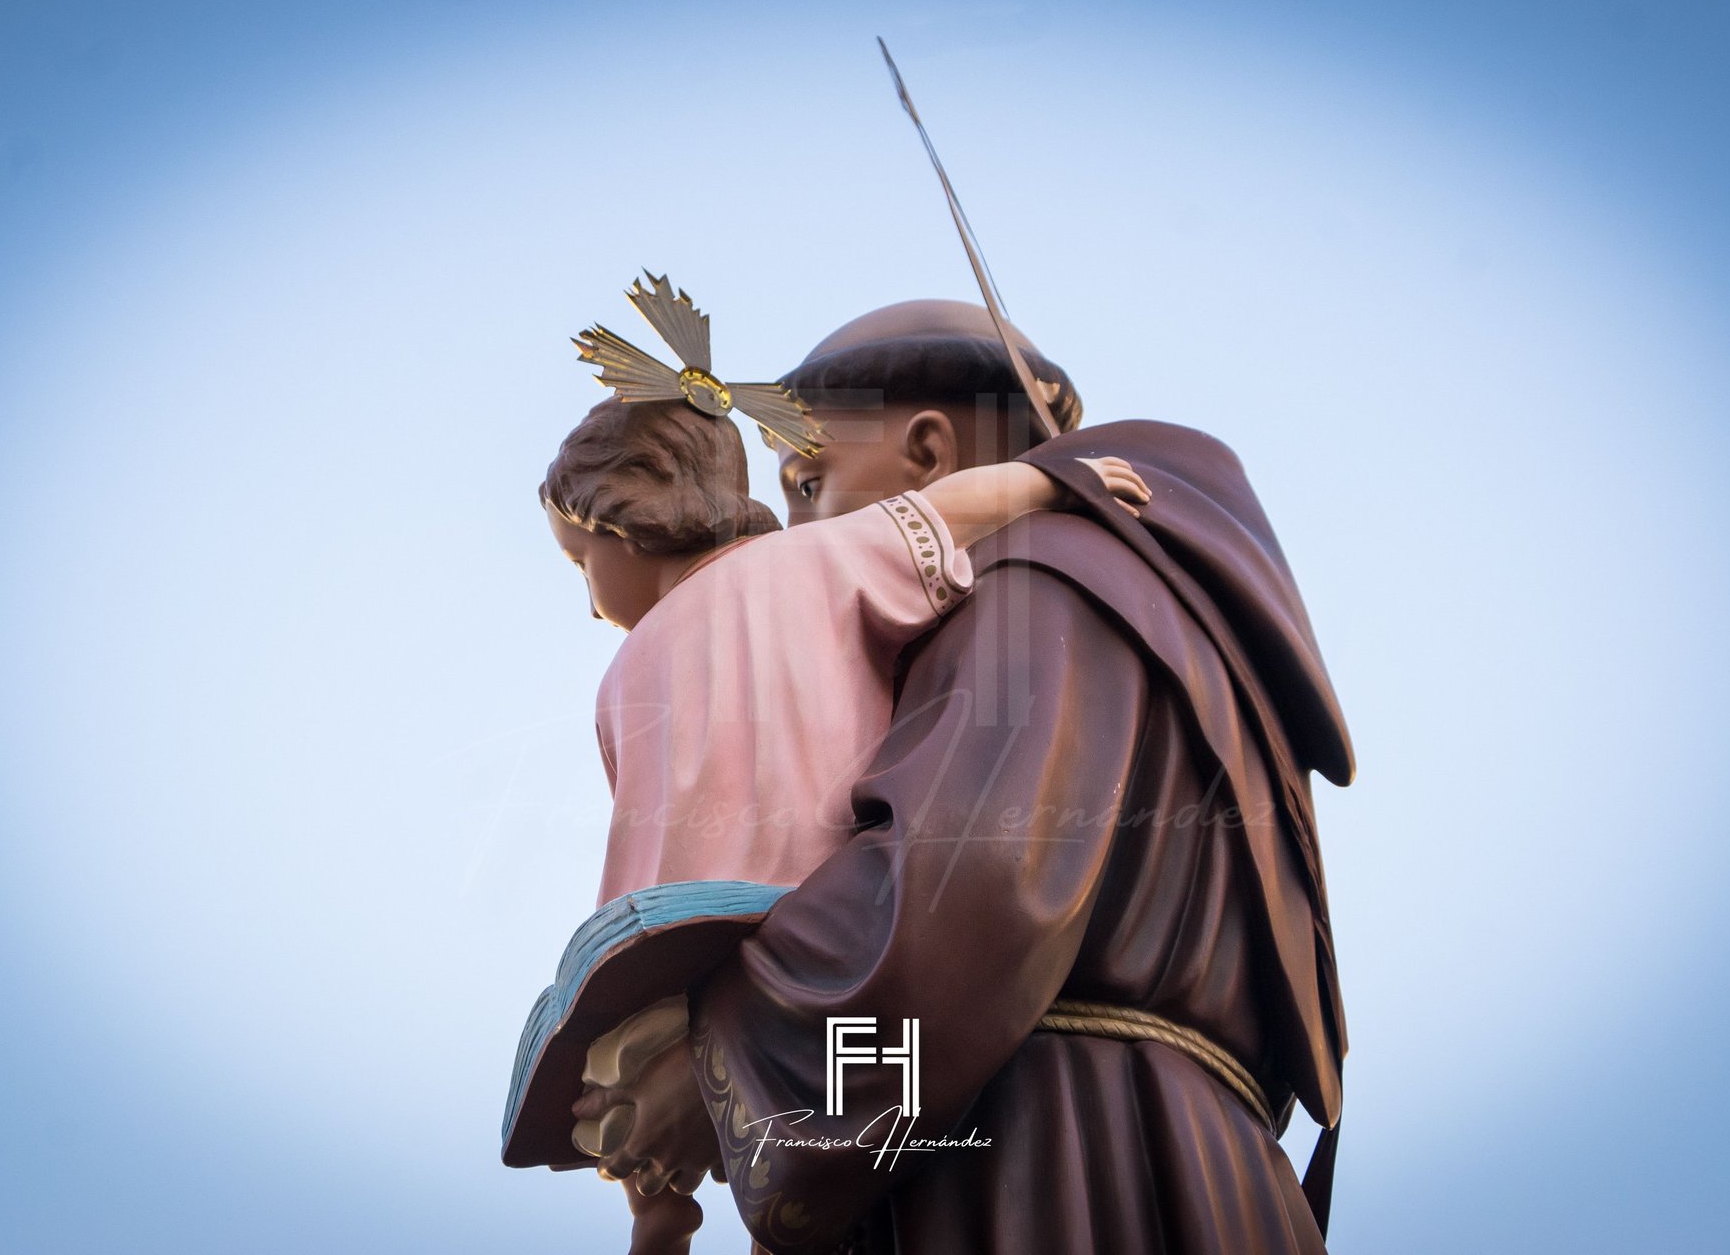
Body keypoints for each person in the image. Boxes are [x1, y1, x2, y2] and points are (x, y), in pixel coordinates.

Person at [572, 299, 1356, 1255]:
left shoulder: (1036, 579)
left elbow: (966, 895)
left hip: (1048, 1163)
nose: (794, 534)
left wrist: (721, 1070)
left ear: (933, 456)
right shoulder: (1162, 621)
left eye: (810, 484)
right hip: (1170, 1165)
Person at [537, 394, 1150, 1252]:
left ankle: (662, 1208)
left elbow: (940, 510)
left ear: (625, 516)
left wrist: (1054, 480)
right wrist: (1049, 483)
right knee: (660, 1077)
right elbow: (934, 517)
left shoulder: (798, 566)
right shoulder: (806, 565)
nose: (587, 599)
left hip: (707, 914)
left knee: (640, 1058)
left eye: (580, 561)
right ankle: (667, 1206)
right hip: (770, 901)